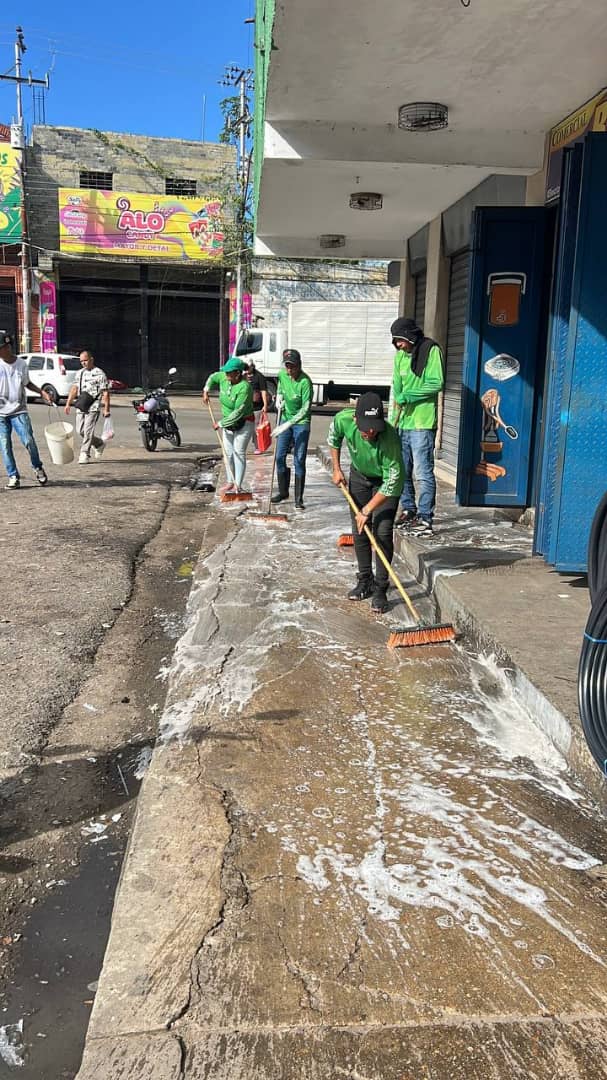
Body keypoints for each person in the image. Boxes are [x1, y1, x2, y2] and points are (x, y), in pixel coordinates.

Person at [328, 392, 404, 613]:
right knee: (360, 530)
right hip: (360, 477)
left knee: (382, 532)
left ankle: (380, 587)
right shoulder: (344, 419)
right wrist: (336, 468)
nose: (370, 431)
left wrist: (367, 510)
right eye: (365, 426)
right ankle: (365, 581)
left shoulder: (390, 438)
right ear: (355, 419)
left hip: (386, 485)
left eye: (374, 426)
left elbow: (392, 481)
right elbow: (333, 438)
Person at [389, 317, 445, 537]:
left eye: (401, 340)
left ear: (410, 336)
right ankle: (409, 510)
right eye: (395, 342)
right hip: (403, 423)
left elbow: (436, 383)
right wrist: (393, 422)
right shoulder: (400, 357)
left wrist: (409, 396)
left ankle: (425, 518)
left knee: (422, 472)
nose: (399, 345)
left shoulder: (430, 351)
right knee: (403, 471)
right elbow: (397, 389)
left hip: (422, 423)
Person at [0, 331, 50, 489]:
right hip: (0, 413)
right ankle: (13, 475)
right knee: (5, 446)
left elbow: (27, 383)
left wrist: (42, 392)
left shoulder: (21, 364)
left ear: (8, 347)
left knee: (29, 441)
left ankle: (38, 467)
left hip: (19, 411)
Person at [202, 357, 255, 493]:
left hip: (244, 423)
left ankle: (238, 484)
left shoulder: (245, 388)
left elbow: (238, 412)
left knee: (238, 452)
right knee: (228, 454)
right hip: (228, 424)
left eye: (229, 373)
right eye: (225, 372)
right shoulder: (223, 378)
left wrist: (220, 423)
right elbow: (212, 377)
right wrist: (206, 390)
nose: (226, 375)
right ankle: (230, 481)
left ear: (237, 373)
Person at [271, 349, 313, 510]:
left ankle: (298, 498)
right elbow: (280, 387)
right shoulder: (282, 375)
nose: (289, 370)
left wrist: (288, 424)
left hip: (301, 422)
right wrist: (278, 398)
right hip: (285, 417)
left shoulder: (305, 382)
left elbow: (305, 408)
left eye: (292, 367)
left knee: (299, 458)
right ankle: (283, 492)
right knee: (279, 456)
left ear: (299, 366)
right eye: (287, 366)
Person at [65, 349, 111, 465]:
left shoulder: (100, 373)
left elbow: (105, 392)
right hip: (82, 405)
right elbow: (74, 388)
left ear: (91, 360)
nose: (83, 363)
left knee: (88, 431)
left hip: (93, 406)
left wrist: (106, 409)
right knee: (80, 430)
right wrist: (68, 403)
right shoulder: (79, 373)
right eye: (81, 361)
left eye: (85, 360)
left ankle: (84, 453)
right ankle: (99, 443)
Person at [245, 359, 270, 454]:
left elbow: (263, 391)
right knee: (246, 427)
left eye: (248, 367)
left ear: (252, 366)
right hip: (246, 407)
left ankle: (258, 446)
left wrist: (265, 405)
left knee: (256, 428)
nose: (247, 370)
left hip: (257, 407)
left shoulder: (259, 376)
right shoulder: (244, 376)